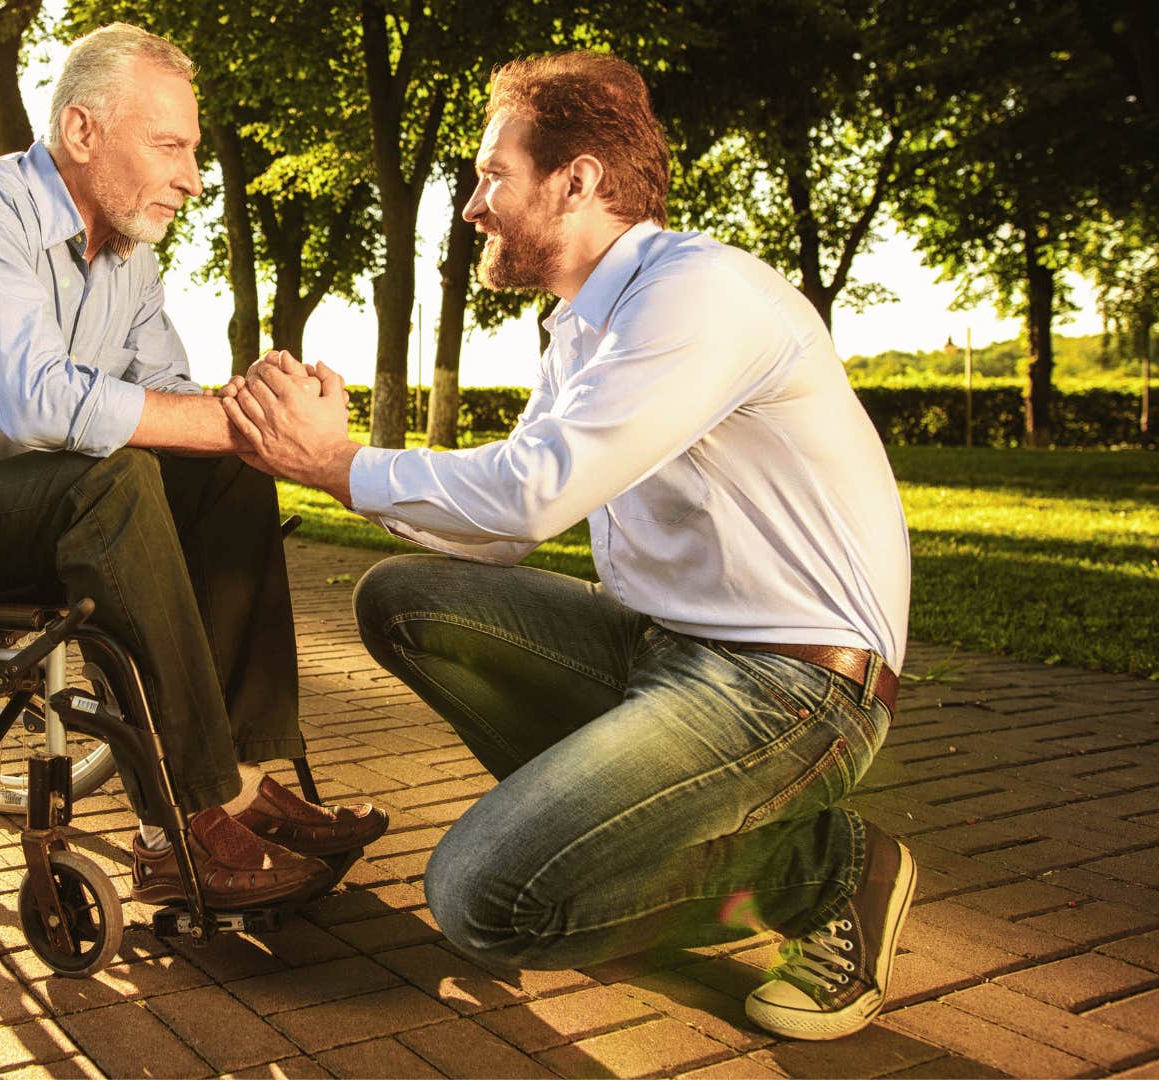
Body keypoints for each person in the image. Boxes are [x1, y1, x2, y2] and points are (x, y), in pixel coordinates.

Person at [220, 51, 914, 1041]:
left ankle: (827, 874)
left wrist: (338, 464)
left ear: (578, 179)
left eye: (491, 174)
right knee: (402, 600)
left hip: (791, 687)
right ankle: (609, 836)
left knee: (483, 903)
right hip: (659, 651)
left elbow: (534, 496)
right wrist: (337, 468)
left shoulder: (699, 295)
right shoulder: (584, 326)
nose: (472, 206)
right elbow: (501, 537)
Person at [0, 23, 387, 910]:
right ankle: (180, 820)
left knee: (225, 472)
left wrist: (259, 405)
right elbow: (35, 403)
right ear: (84, 132)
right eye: (170, 146)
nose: (193, 178)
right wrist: (233, 424)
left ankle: (242, 777)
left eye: (194, 152)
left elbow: (168, 396)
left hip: (27, 490)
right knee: (121, 479)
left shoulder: (131, 257)